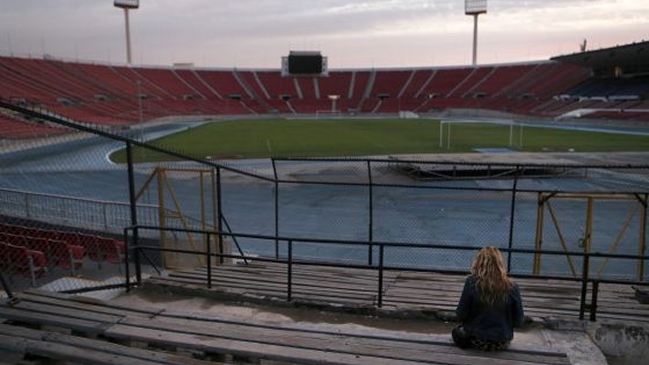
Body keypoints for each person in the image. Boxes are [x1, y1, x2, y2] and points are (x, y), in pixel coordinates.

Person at [452, 246, 524, 351]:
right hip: (502, 342)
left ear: (478, 263)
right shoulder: (512, 286)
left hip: (477, 341)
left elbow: (461, 314)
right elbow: (518, 321)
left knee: (456, 332)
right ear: (500, 264)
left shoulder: (471, 283)